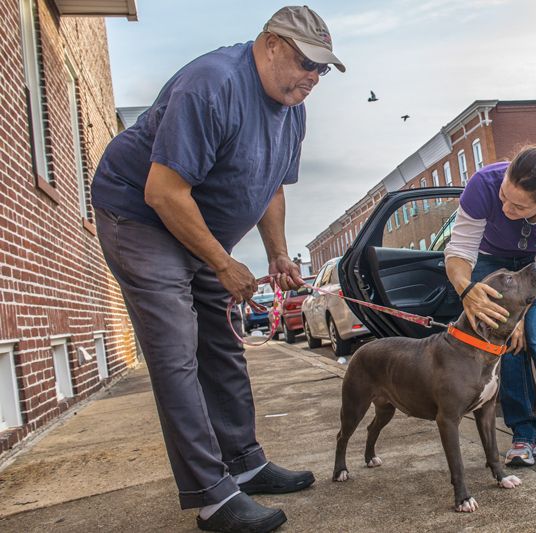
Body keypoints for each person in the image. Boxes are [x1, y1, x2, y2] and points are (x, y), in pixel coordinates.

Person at [90, 6, 345, 532]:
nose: (312, 79)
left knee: (222, 342)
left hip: (197, 226)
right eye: (305, 63)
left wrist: (276, 253)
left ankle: (244, 463)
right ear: (270, 44)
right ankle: (211, 496)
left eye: (321, 69)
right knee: (176, 349)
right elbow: (163, 192)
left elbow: (272, 184)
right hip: (140, 216)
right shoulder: (211, 85)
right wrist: (224, 263)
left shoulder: (291, 106)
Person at [444, 145, 536, 470]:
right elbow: (461, 249)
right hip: (489, 258)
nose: (506, 207)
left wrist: (520, 312)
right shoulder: (483, 185)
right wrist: (466, 289)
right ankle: (524, 434)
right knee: (503, 343)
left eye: (518, 205)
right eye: (504, 196)